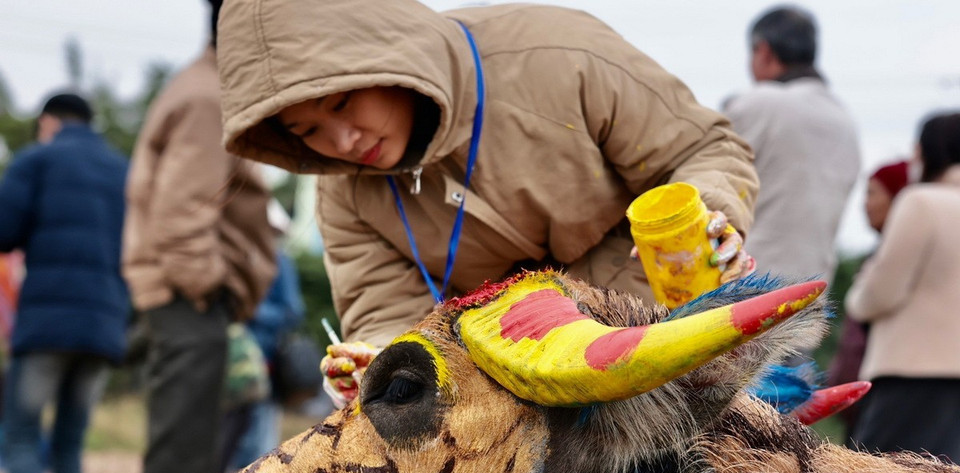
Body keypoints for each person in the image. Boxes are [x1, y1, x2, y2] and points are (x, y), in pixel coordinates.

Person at [215, 0, 760, 405]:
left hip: (651, 329)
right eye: (307, 130)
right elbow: (384, 308)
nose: (342, 142)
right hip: (504, 378)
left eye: (342, 102)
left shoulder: (559, 59)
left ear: (389, 57)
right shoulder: (343, 190)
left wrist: (712, 213)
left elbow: (703, 148)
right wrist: (380, 360)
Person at [123, 0, 276, 473]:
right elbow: (181, 214)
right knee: (180, 468)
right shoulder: (209, 97)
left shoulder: (203, 87)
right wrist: (212, 287)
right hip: (191, 299)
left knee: (189, 458)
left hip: (189, 296)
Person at [0, 93, 128, 473]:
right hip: (104, 325)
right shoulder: (122, 170)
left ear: (48, 121)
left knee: (21, 436)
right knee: (71, 444)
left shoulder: (37, 158)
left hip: (47, 323)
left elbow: (5, 231)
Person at [846, 112, 960, 464]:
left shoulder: (920, 201)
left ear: (928, 151)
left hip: (911, 373)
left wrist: (856, 294)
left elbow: (882, 292)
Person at [723, 5, 860, 291]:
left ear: (763, 51)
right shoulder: (844, 120)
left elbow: (707, 183)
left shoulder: (761, 103)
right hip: (813, 294)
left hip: (747, 290)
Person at [826, 160, 909, 439]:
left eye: (873, 193)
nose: (865, 204)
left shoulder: (898, 263)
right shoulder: (877, 256)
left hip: (881, 402)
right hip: (860, 402)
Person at [226, 248, 306, 473]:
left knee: (259, 449)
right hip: (225, 372)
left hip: (265, 367)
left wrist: (250, 310)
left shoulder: (279, 259)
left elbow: (293, 312)